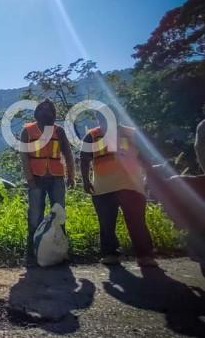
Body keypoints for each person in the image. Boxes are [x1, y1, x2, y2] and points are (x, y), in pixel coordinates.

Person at [80, 106, 157, 267]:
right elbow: (84, 159)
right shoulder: (92, 136)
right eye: (100, 117)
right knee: (107, 224)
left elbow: (145, 158)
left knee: (137, 222)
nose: (104, 120)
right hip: (103, 188)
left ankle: (145, 255)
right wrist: (86, 181)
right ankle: (110, 254)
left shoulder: (131, 134)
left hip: (131, 186)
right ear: (97, 119)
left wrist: (149, 178)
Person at [19, 99, 75, 266]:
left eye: (49, 109)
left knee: (59, 214)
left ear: (54, 113)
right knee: (35, 216)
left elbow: (68, 154)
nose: (46, 112)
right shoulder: (27, 131)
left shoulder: (59, 131)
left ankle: (61, 253)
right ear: (37, 113)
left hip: (57, 178)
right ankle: (31, 254)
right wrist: (29, 179)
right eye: (42, 109)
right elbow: (23, 156)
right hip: (36, 178)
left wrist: (71, 176)